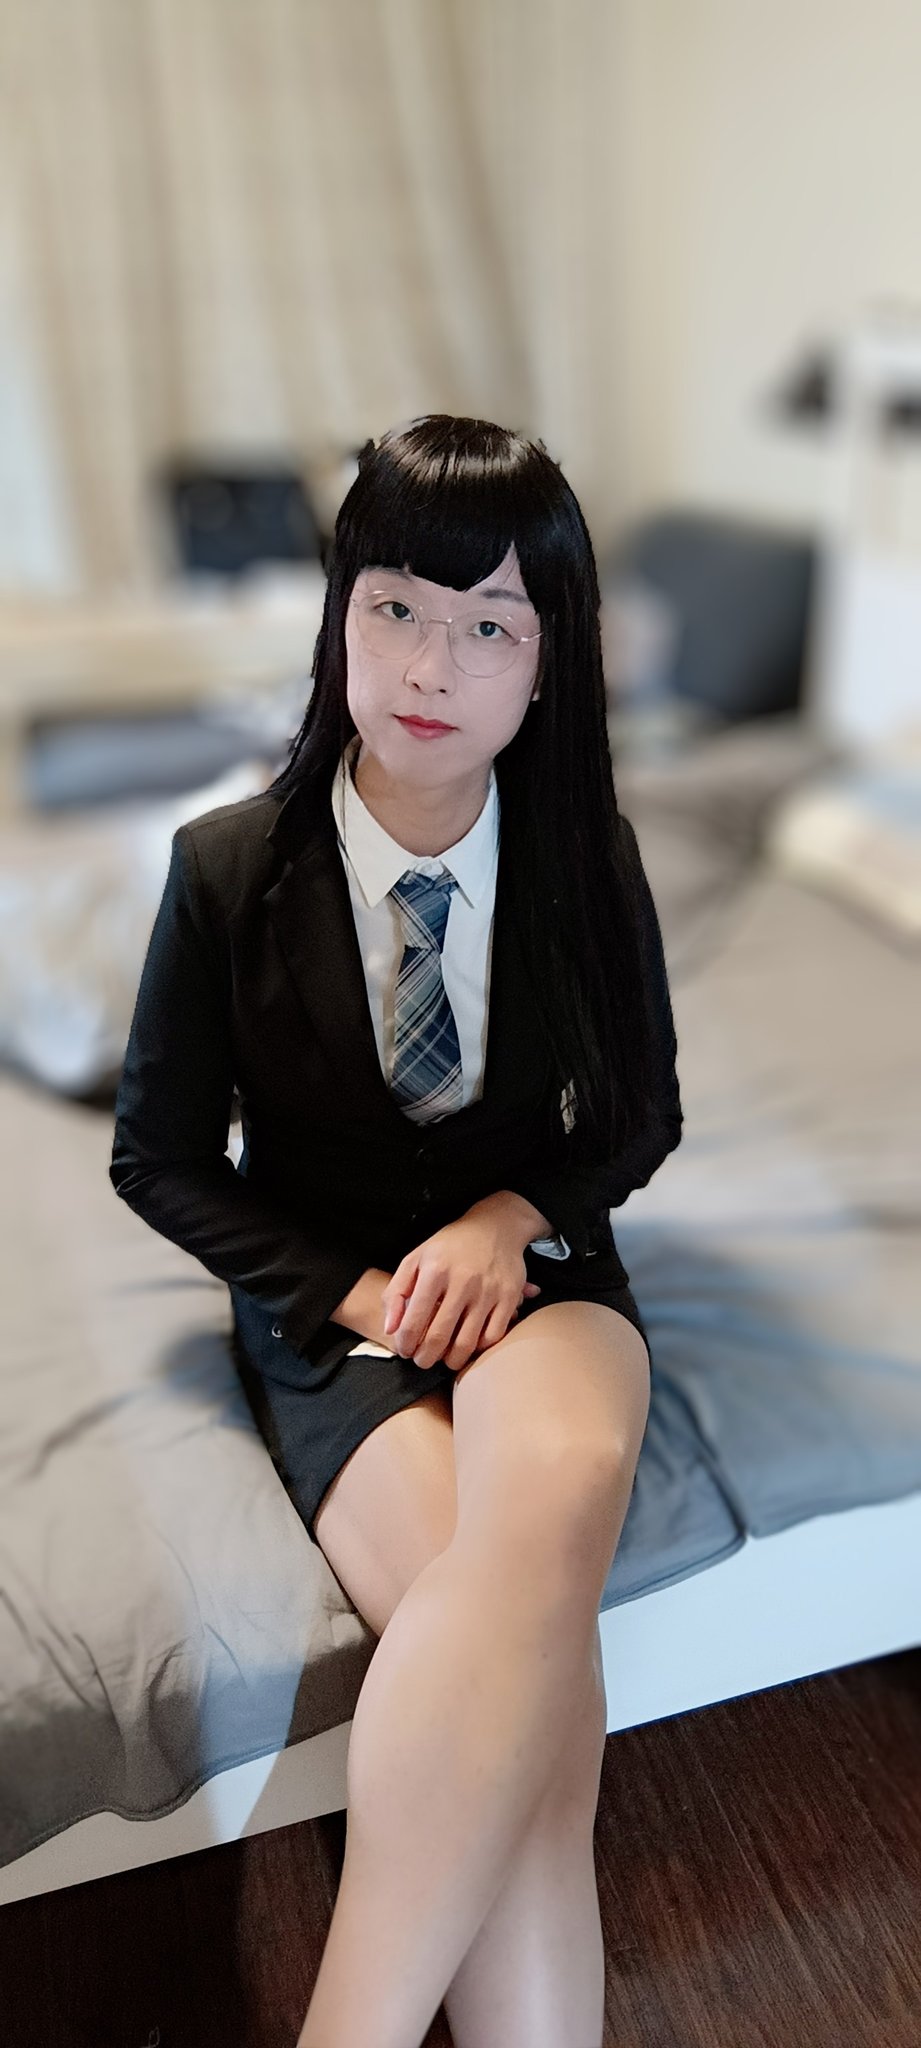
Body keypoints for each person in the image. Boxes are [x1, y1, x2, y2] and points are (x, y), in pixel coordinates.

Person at [110, 414, 683, 2048]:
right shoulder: (226, 868)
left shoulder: (588, 860)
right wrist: (359, 1291)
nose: (433, 664)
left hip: (538, 1272)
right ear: (338, 618)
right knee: (525, 1704)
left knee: (545, 1509)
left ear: (548, 667)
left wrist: (510, 1217)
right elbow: (159, 1160)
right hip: (330, 1301)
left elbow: (638, 1122)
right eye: (396, 609)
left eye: (491, 625)